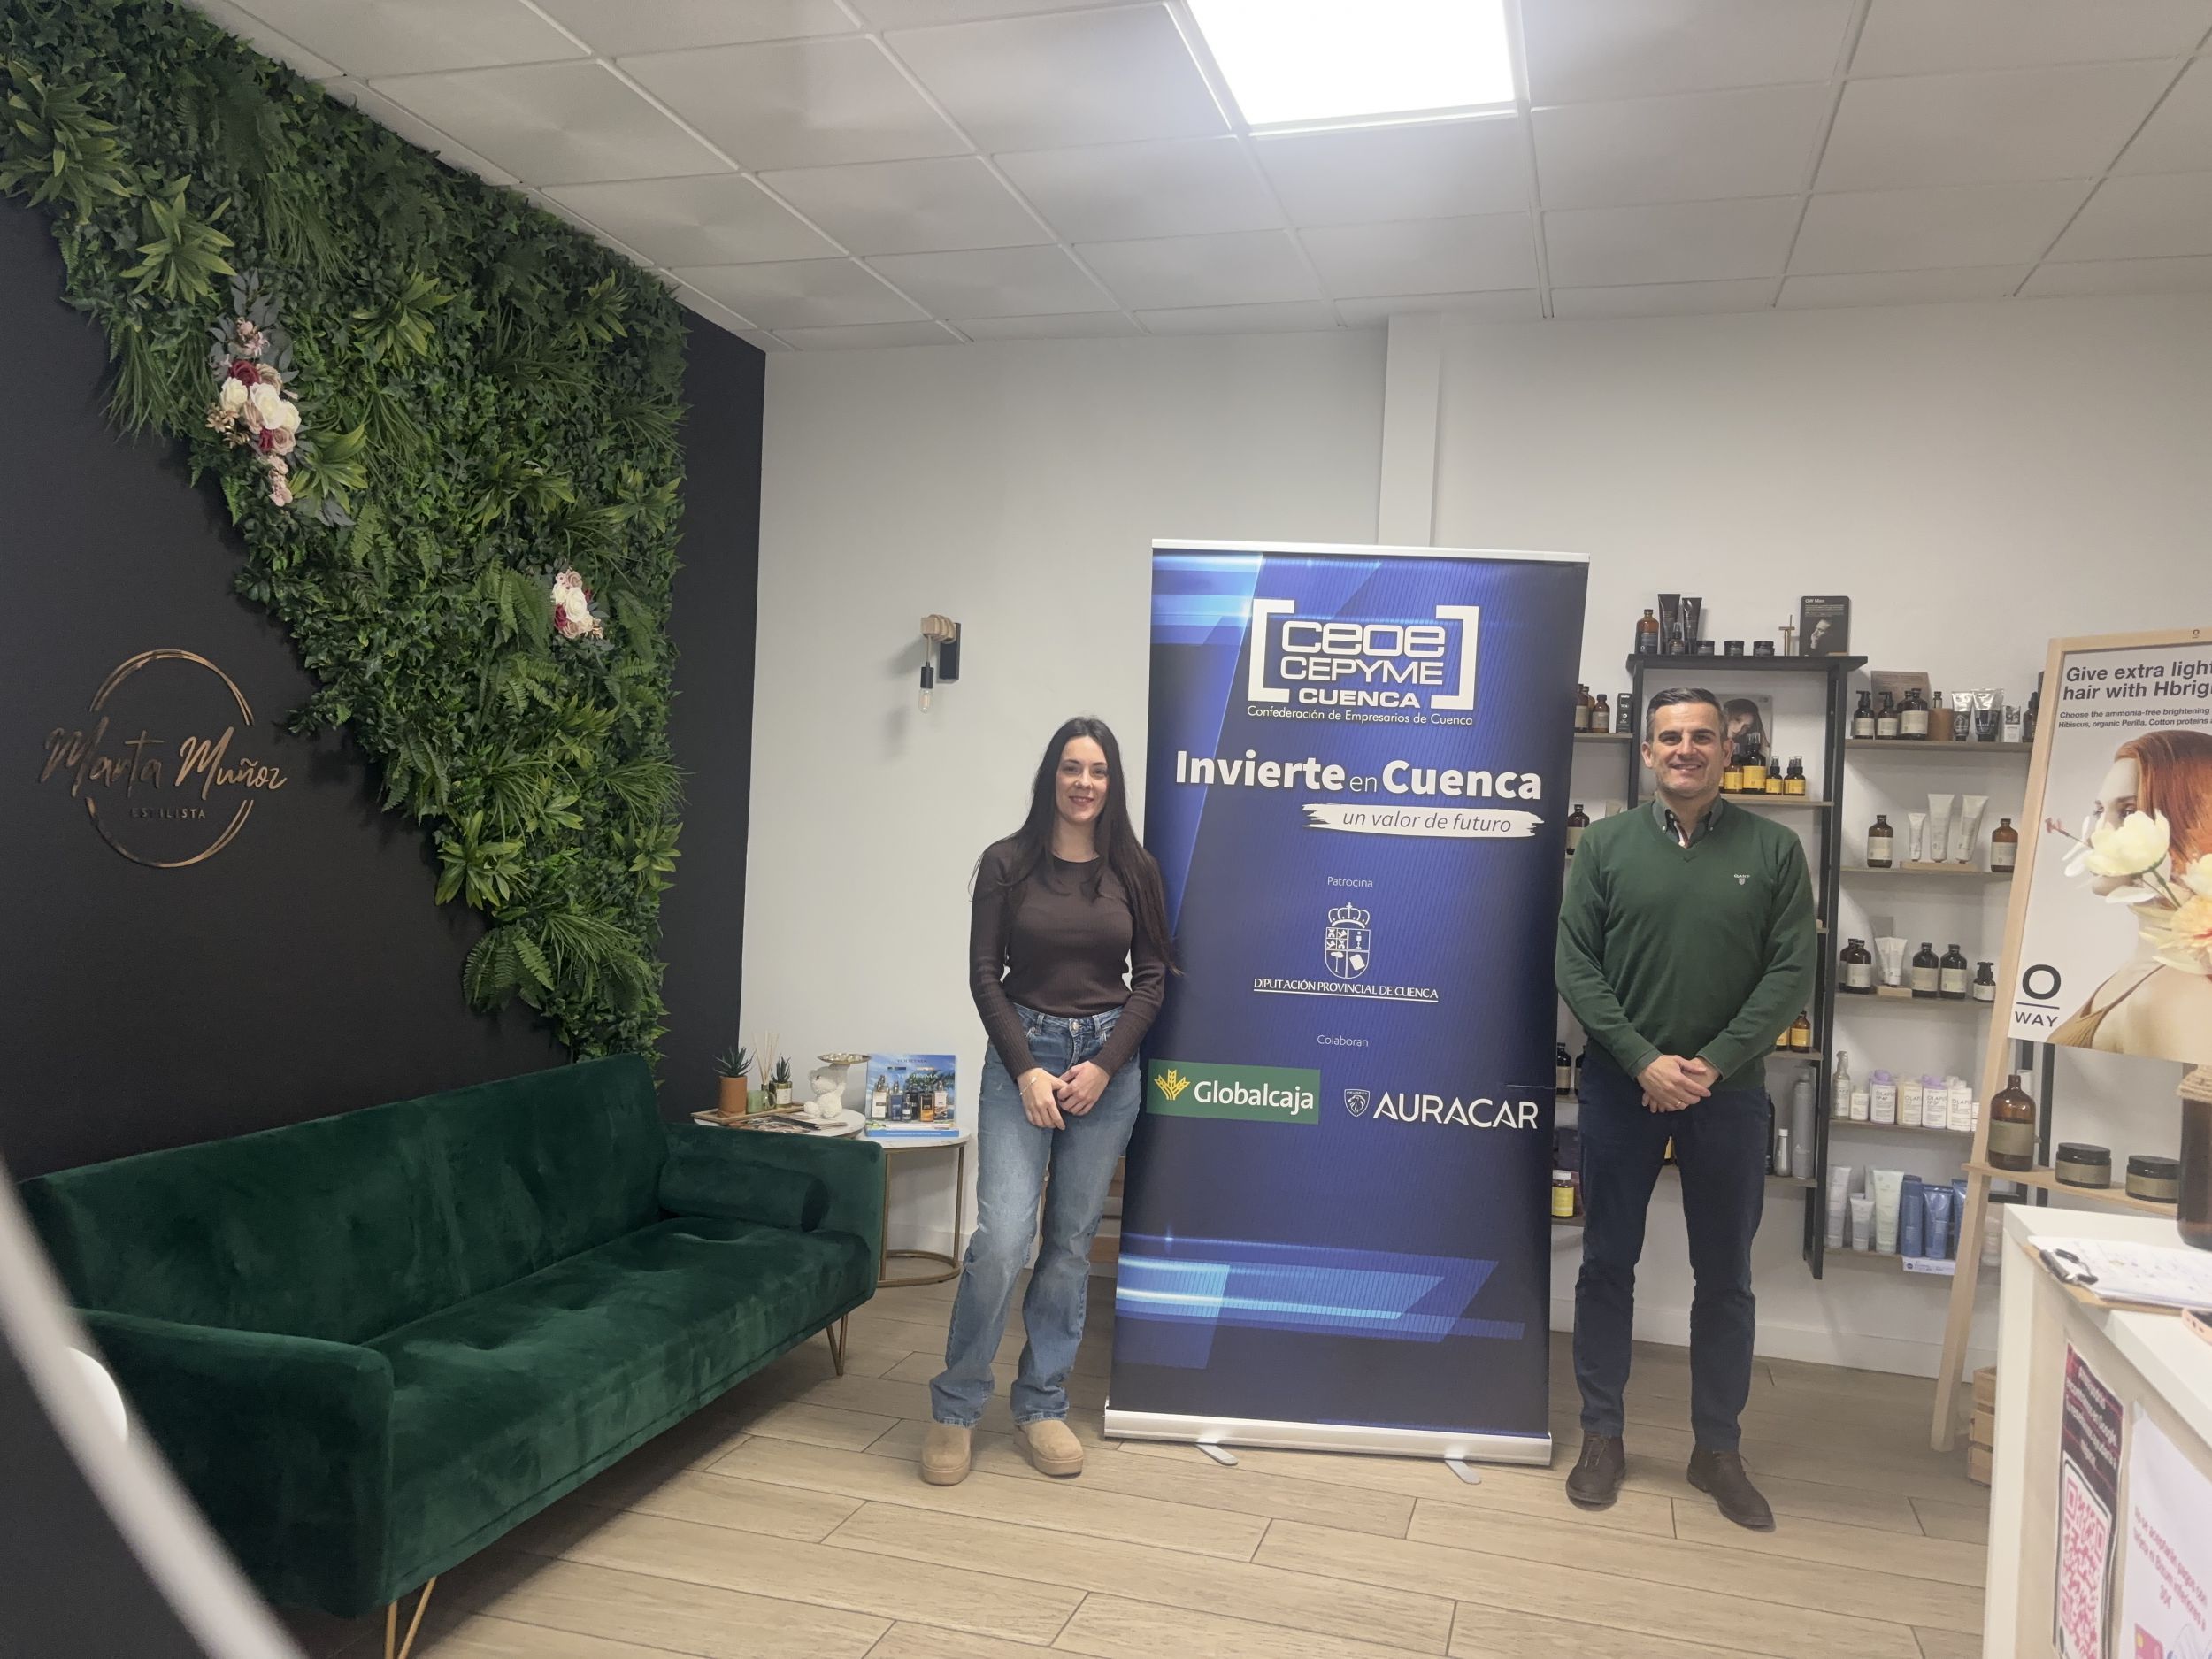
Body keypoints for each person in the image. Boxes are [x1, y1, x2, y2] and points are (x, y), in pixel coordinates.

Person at [1554, 687, 1816, 1531]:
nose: (1686, 748)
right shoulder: (1605, 845)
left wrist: (1713, 1062)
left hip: (1726, 1095)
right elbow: (1576, 963)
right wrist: (1642, 1058)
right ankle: (1603, 1435)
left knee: (1727, 1277)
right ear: (1648, 751)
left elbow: (1791, 973)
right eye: (1670, 736)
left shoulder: (1774, 849)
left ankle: (1717, 1449)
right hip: (1620, 1088)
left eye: (1703, 735)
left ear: (1727, 749)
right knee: (1606, 1263)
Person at [924, 717, 1172, 1486]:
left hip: (1105, 1070)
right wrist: (1028, 1069)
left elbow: (1152, 977)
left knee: (1068, 1244)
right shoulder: (1007, 863)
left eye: (1097, 770)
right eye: (1071, 767)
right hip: (1021, 1061)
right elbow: (984, 974)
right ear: (1051, 776)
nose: (1083, 782)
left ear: (1112, 782)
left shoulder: (1136, 869)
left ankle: (1041, 1403)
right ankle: (956, 1408)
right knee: (1002, 1239)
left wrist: (1104, 1064)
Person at [2049, 730, 2212, 1061]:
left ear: (2194, 822)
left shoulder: (2170, 1001)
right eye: (2099, 811)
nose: (2095, 836)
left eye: (2127, 812)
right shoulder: (2148, 976)